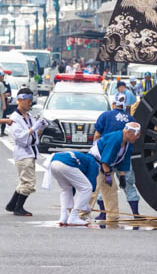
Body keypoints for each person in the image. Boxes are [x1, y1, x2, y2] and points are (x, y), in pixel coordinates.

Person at [92, 93, 142, 217]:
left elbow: (97, 135)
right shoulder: (131, 119)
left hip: (106, 157)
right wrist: (122, 175)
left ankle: (103, 214)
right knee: (128, 185)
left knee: (103, 186)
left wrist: (95, 148)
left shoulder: (105, 116)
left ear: (114, 103)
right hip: (123, 156)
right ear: (125, 104)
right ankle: (136, 214)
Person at [1, 87, 48, 217]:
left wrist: (42, 127)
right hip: (23, 153)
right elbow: (21, 138)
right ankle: (18, 208)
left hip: (31, 152)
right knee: (29, 183)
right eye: (28, 101)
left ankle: (12, 205)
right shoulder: (14, 118)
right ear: (20, 100)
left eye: (31, 101)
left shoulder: (29, 116)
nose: (30, 103)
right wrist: (34, 128)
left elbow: (35, 135)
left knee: (23, 181)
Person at [88, 121, 142, 225]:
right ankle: (81, 215)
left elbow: (124, 160)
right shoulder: (115, 139)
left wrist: (122, 176)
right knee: (93, 190)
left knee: (111, 190)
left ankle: (112, 216)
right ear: (128, 132)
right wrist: (108, 174)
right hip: (95, 163)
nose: (138, 137)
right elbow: (105, 160)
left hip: (107, 165)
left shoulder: (128, 143)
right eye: (137, 135)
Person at [49, 149, 100, 226]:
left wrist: (84, 204)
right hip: (66, 163)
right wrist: (85, 205)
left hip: (53, 163)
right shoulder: (93, 163)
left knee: (66, 189)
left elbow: (73, 185)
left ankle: (63, 217)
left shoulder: (84, 158)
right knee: (87, 188)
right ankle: (74, 216)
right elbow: (91, 183)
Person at [0, 70, 8, 136]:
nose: (3, 77)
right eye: (2, 76)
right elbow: (2, 95)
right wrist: (4, 105)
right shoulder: (1, 84)